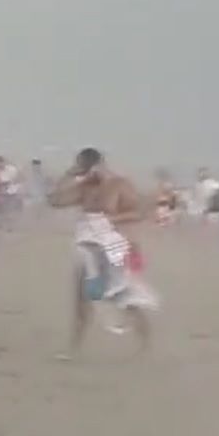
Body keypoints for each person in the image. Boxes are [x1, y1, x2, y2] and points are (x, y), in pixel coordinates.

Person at [51, 147, 157, 355]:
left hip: (114, 247)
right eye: (82, 169)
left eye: (88, 168)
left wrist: (111, 219)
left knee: (122, 298)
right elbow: (55, 200)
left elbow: (141, 212)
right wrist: (68, 175)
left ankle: (145, 346)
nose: (86, 173)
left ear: (100, 165)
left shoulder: (119, 185)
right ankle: (74, 349)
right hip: (89, 248)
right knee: (82, 299)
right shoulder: (85, 187)